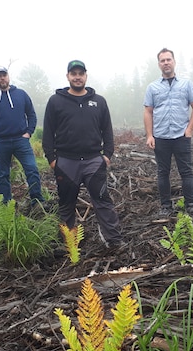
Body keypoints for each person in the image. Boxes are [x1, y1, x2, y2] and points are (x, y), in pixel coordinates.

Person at [42, 60, 124, 249]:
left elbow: (107, 131)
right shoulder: (56, 101)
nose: (77, 77)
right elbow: (48, 132)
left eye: (80, 73)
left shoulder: (99, 101)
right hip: (66, 162)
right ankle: (69, 244)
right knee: (66, 204)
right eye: (74, 74)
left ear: (86, 76)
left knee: (103, 201)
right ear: (68, 76)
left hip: (93, 161)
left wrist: (107, 155)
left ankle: (114, 240)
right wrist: (52, 160)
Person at [144, 48, 193, 217]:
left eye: (168, 59)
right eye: (162, 60)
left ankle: (191, 204)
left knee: (186, 171)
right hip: (161, 136)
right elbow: (148, 111)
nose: (166, 63)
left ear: (174, 62)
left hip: (181, 136)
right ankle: (166, 207)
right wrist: (149, 135)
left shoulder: (186, 84)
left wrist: (190, 128)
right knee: (163, 172)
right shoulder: (152, 87)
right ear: (159, 64)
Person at [0, 66, 45, 206]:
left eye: (4, 75)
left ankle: (37, 201)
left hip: (20, 140)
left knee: (32, 169)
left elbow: (31, 115)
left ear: (8, 76)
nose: (2, 78)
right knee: (3, 174)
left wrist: (28, 132)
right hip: (0, 142)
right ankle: (6, 203)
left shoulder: (21, 94)